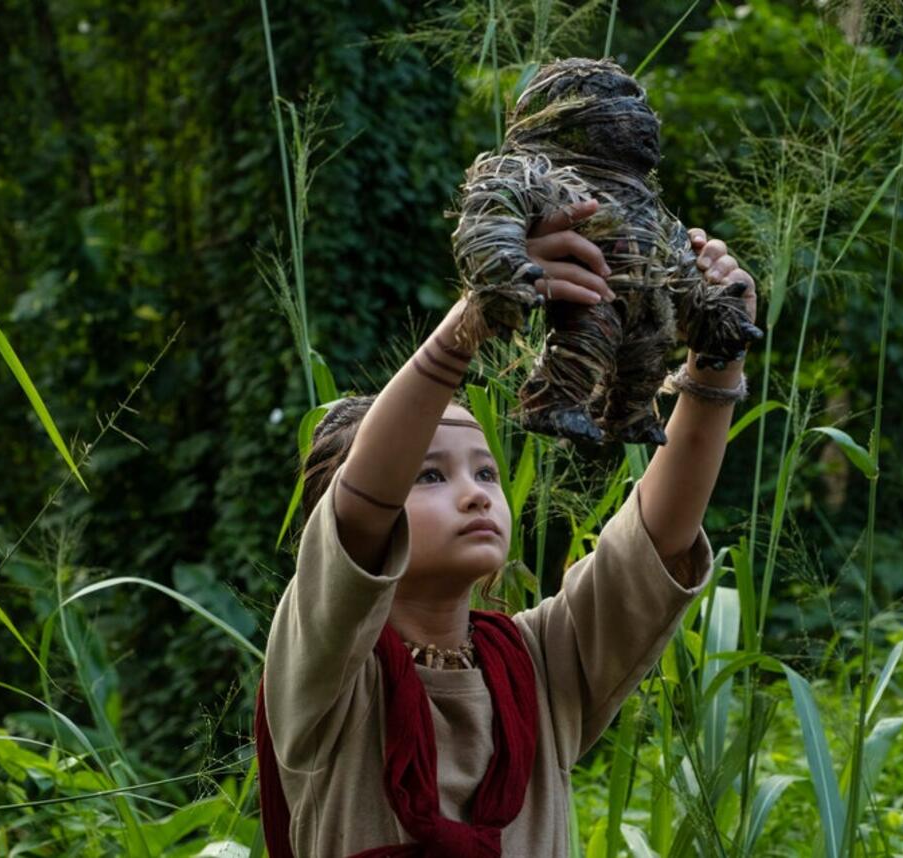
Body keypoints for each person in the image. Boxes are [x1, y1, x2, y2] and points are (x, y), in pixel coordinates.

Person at [254, 198, 758, 856]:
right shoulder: (322, 674)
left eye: (487, 474)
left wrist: (718, 358)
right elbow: (364, 501)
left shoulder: (539, 669)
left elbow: (657, 537)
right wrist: (482, 309)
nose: (475, 495)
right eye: (430, 475)